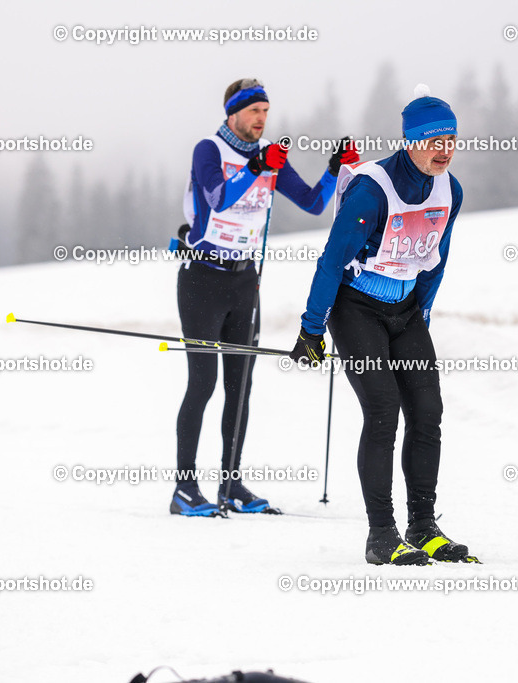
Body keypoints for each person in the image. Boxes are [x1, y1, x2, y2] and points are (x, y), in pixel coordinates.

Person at [288, 85, 468, 564]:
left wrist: (422, 314)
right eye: (434, 141)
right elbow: (331, 261)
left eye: (450, 141)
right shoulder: (373, 189)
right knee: (384, 411)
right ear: (410, 141)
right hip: (357, 310)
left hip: (406, 311)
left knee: (428, 412)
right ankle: (382, 534)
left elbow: (436, 260)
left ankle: (424, 526)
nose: (443, 151)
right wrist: (312, 330)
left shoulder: (451, 190)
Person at [171, 78, 359, 517]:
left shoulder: (268, 153)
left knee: (241, 387)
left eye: (266, 112)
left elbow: (313, 203)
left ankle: (231, 485)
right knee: (203, 384)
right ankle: (184, 490)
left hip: (243, 282)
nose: (261, 119)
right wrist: (258, 168)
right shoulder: (209, 150)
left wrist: (335, 170)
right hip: (202, 278)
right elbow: (218, 200)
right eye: (254, 111)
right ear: (232, 114)